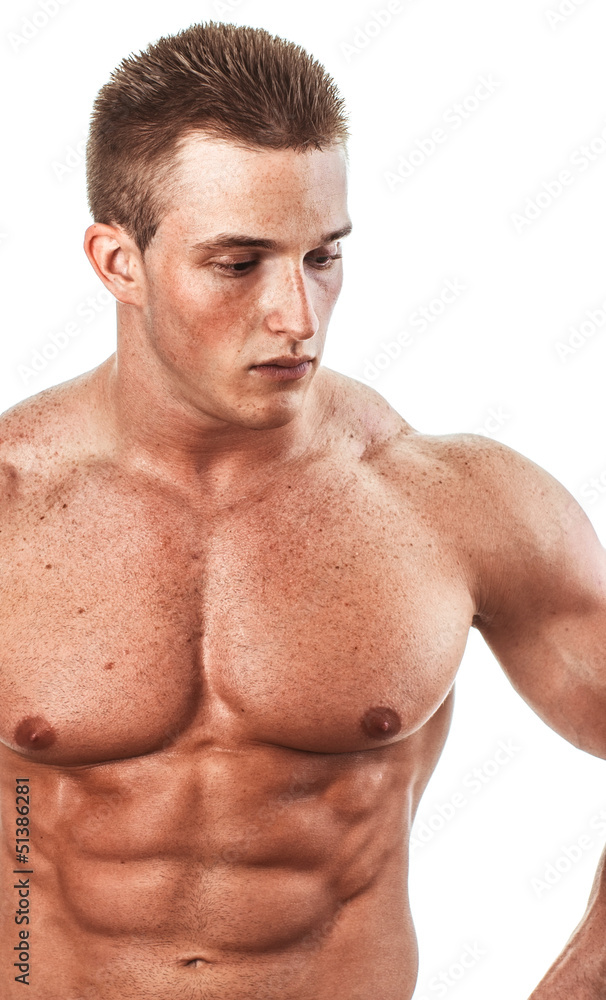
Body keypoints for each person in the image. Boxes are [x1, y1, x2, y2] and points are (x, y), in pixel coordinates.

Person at [0, 19, 604, 1000]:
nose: (298, 315)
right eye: (238, 264)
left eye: (323, 256)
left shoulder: (449, 503)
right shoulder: (14, 503)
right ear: (117, 262)